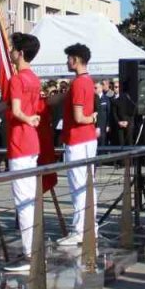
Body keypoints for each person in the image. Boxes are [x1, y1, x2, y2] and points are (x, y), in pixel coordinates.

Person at [3, 35, 44, 273]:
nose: (9, 52)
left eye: (12, 49)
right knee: (29, 198)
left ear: (19, 53)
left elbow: (16, 110)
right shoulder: (34, 79)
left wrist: (27, 118)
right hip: (31, 143)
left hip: (20, 143)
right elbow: (10, 106)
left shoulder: (17, 79)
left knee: (24, 201)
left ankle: (30, 254)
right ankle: (33, 249)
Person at [58, 43, 99, 247]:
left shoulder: (78, 83)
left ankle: (79, 230)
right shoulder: (88, 81)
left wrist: (92, 119)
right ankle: (90, 227)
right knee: (88, 185)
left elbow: (79, 117)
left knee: (78, 187)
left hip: (77, 139)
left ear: (75, 60)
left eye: (69, 58)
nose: (67, 62)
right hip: (87, 139)